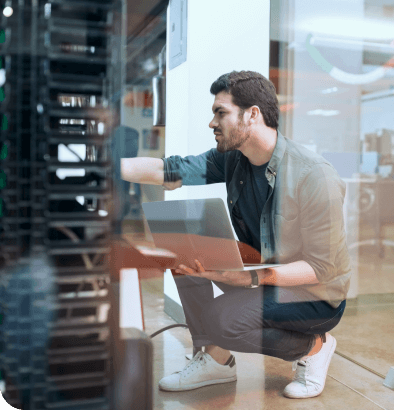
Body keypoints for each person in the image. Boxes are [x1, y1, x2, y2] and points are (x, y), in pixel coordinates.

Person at [120, 70, 351, 399]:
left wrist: (250, 280)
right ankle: (217, 360)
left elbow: (321, 268)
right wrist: (103, 167)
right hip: (261, 271)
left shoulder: (314, 176)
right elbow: (165, 169)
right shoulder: (232, 159)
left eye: (221, 112)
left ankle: (314, 346)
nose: (212, 123)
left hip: (314, 295)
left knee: (222, 318)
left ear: (252, 114)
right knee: (185, 248)